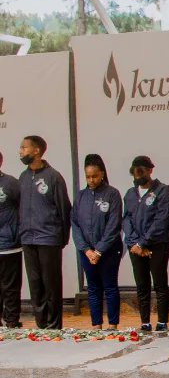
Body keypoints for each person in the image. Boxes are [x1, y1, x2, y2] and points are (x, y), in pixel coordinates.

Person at [18, 135, 71, 330]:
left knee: (51, 283)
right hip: (28, 238)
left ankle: (53, 325)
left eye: (24, 148)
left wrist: (61, 238)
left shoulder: (53, 177)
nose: (20, 151)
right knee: (35, 284)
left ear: (37, 150)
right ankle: (41, 325)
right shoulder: (23, 177)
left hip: (49, 238)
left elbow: (64, 209)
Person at [70, 155, 123, 330]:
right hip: (86, 252)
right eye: (88, 176)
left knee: (109, 286)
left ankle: (113, 324)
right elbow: (75, 224)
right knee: (93, 288)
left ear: (102, 174)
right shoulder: (80, 196)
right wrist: (86, 250)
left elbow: (113, 225)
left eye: (94, 176)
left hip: (108, 251)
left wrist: (99, 250)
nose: (91, 180)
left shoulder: (112, 194)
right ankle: (96, 325)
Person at [122, 156, 169, 332]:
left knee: (159, 283)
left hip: (157, 244)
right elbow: (126, 219)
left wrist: (144, 242)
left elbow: (161, 219)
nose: (138, 177)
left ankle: (162, 321)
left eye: (141, 172)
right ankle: (144, 321)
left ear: (150, 170)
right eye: (135, 174)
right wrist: (135, 243)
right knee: (142, 285)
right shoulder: (130, 194)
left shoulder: (163, 190)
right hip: (135, 247)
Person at [0, 153, 21, 328]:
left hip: (9, 245)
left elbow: (24, 207)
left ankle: (12, 321)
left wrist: (16, 233)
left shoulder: (11, 183)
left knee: (11, 286)